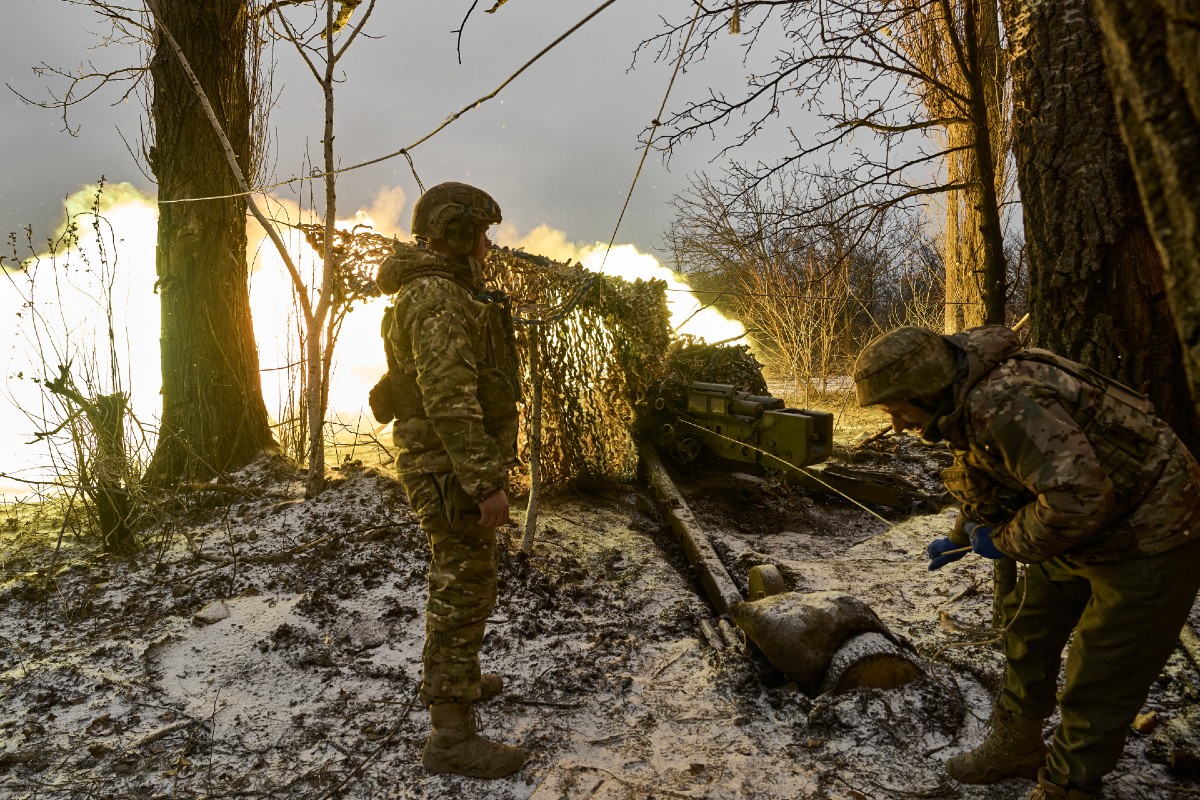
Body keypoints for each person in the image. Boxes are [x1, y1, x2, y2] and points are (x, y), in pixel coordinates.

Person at [852, 324, 1200, 800]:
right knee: (1027, 629)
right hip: (1082, 528)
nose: (896, 423)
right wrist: (960, 536)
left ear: (923, 390)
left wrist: (1005, 542)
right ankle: (1017, 744)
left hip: (1153, 530)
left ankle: (1067, 786)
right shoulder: (962, 397)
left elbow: (1078, 499)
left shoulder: (1005, 400)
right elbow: (988, 475)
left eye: (898, 408)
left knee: (1099, 674)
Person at [373, 182, 524, 779]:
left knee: (460, 582)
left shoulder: (434, 290)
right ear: (457, 236)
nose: (488, 247)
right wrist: (486, 482)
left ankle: (453, 683)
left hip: (441, 462)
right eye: (481, 235)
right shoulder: (438, 296)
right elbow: (450, 397)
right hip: (450, 467)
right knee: (463, 590)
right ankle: (451, 737)